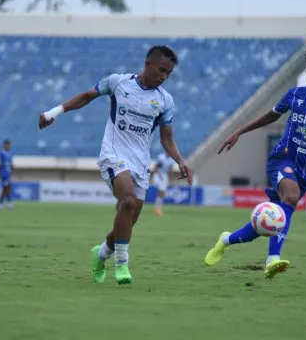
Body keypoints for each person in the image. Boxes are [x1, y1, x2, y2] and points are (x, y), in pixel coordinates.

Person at [39, 45, 192, 285]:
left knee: (127, 221)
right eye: (162, 70)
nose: (164, 76)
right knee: (128, 202)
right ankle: (122, 265)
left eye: (169, 73)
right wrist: (54, 112)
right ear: (148, 64)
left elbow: (166, 138)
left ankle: (100, 255)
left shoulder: (165, 101)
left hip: (141, 164)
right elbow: (87, 97)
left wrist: (181, 160)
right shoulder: (118, 83)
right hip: (113, 154)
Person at [204, 46, 306, 279]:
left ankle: (225, 239)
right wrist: (240, 131)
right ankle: (272, 260)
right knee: (291, 198)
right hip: (283, 159)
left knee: (268, 223)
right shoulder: (294, 95)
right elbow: (270, 116)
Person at [150, 151, 175, 216]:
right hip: (158, 175)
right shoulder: (161, 157)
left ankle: (157, 209)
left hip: (164, 175)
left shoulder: (171, 160)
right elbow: (156, 167)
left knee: (162, 193)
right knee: (161, 192)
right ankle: (157, 209)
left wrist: (171, 180)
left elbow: (170, 170)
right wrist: (159, 175)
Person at [0, 139, 14, 210]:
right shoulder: (1, 154)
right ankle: (1, 204)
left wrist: (12, 168)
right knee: (5, 189)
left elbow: (10, 164)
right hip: (4, 174)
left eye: (9, 145)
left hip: (8, 174)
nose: (8, 146)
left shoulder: (10, 153)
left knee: (8, 188)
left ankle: (7, 203)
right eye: (7, 145)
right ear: (4, 145)